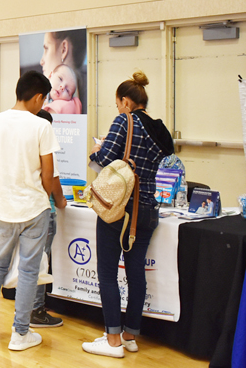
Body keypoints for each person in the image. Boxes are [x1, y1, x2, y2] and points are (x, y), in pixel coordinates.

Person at [82, 71, 174, 358]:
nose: (118, 109)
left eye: (118, 103)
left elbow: (104, 160)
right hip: (148, 209)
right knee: (136, 274)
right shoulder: (160, 129)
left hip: (120, 210)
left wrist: (97, 149)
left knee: (108, 274)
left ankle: (111, 340)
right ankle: (131, 335)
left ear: (125, 101)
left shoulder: (125, 120)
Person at [0, 71, 58, 351]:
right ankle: (20, 334)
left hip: (4, 207)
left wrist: (8, 192)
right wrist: (50, 198)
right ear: (37, 97)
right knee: (29, 271)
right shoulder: (42, 127)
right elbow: (48, 175)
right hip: (34, 209)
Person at [29, 109, 67, 327]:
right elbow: (53, 180)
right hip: (44, 211)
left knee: (29, 261)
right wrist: (60, 201)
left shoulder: (23, 147)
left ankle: (27, 308)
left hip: (25, 210)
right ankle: (36, 310)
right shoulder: (46, 149)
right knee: (40, 262)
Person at [40, 30, 86, 113]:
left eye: (46, 48)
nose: (41, 61)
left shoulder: (58, 107)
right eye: (60, 79)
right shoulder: (78, 103)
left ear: (64, 49)